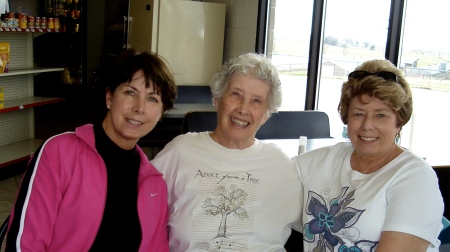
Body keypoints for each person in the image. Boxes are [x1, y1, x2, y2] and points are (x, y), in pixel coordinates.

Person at [5, 49, 177, 251]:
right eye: (130, 92)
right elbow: (25, 242)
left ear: (161, 113)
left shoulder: (154, 183)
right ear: (109, 97)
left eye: (152, 99)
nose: (140, 108)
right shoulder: (59, 153)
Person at [151, 53, 302, 251]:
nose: (243, 108)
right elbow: (142, 210)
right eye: (236, 94)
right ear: (217, 100)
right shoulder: (180, 152)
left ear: (266, 115)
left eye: (256, 101)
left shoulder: (281, 166)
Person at [293, 59, 444, 251]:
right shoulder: (324, 159)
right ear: (347, 118)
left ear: (399, 121)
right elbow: (268, 177)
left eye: (380, 115)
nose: (367, 125)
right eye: (358, 114)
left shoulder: (415, 178)